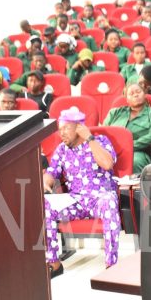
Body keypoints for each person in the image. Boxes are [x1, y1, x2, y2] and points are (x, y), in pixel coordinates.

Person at [43, 108, 121, 273]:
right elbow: (51, 172)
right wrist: (45, 181)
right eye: (60, 129)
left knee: (109, 202)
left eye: (66, 128)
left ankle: (111, 266)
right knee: (45, 204)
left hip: (100, 198)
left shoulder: (100, 141)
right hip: (76, 200)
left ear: (79, 127)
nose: (61, 133)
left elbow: (107, 164)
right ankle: (54, 264)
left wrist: (89, 138)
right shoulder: (62, 149)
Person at [103, 83, 151, 172]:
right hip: (111, 150)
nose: (135, 95)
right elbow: (103, 132)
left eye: (138, 92)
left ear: (144, 94)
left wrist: (130, 146)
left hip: (137, 152)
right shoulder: (114, 113)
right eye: (131, 94)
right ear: (127, 100)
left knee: (134, 161)